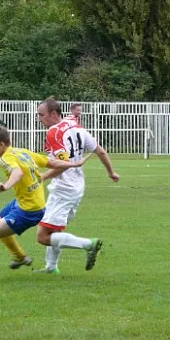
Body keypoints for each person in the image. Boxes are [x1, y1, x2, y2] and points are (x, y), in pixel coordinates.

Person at [0, 125, 89, 281]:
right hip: (23, 202)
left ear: (2, 145)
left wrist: (5, 186)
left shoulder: (5, 159)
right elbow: (52, 163)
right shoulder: (23, 152)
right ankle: (20, 257)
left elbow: (17, 172)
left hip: (28, 210)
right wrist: (74, 164)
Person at [35, 98, 120, 275]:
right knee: (54, 228)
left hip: (63, 188)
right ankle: (51, 267)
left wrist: (42, 178)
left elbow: (62, 165)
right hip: (77, 186)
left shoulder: (53, 132)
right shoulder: (74, 124)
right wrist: (111, 172)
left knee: (42, 236)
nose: (39, 119)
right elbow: (100, 151)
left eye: (41, 115)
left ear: (53, 114)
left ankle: (88, 244)